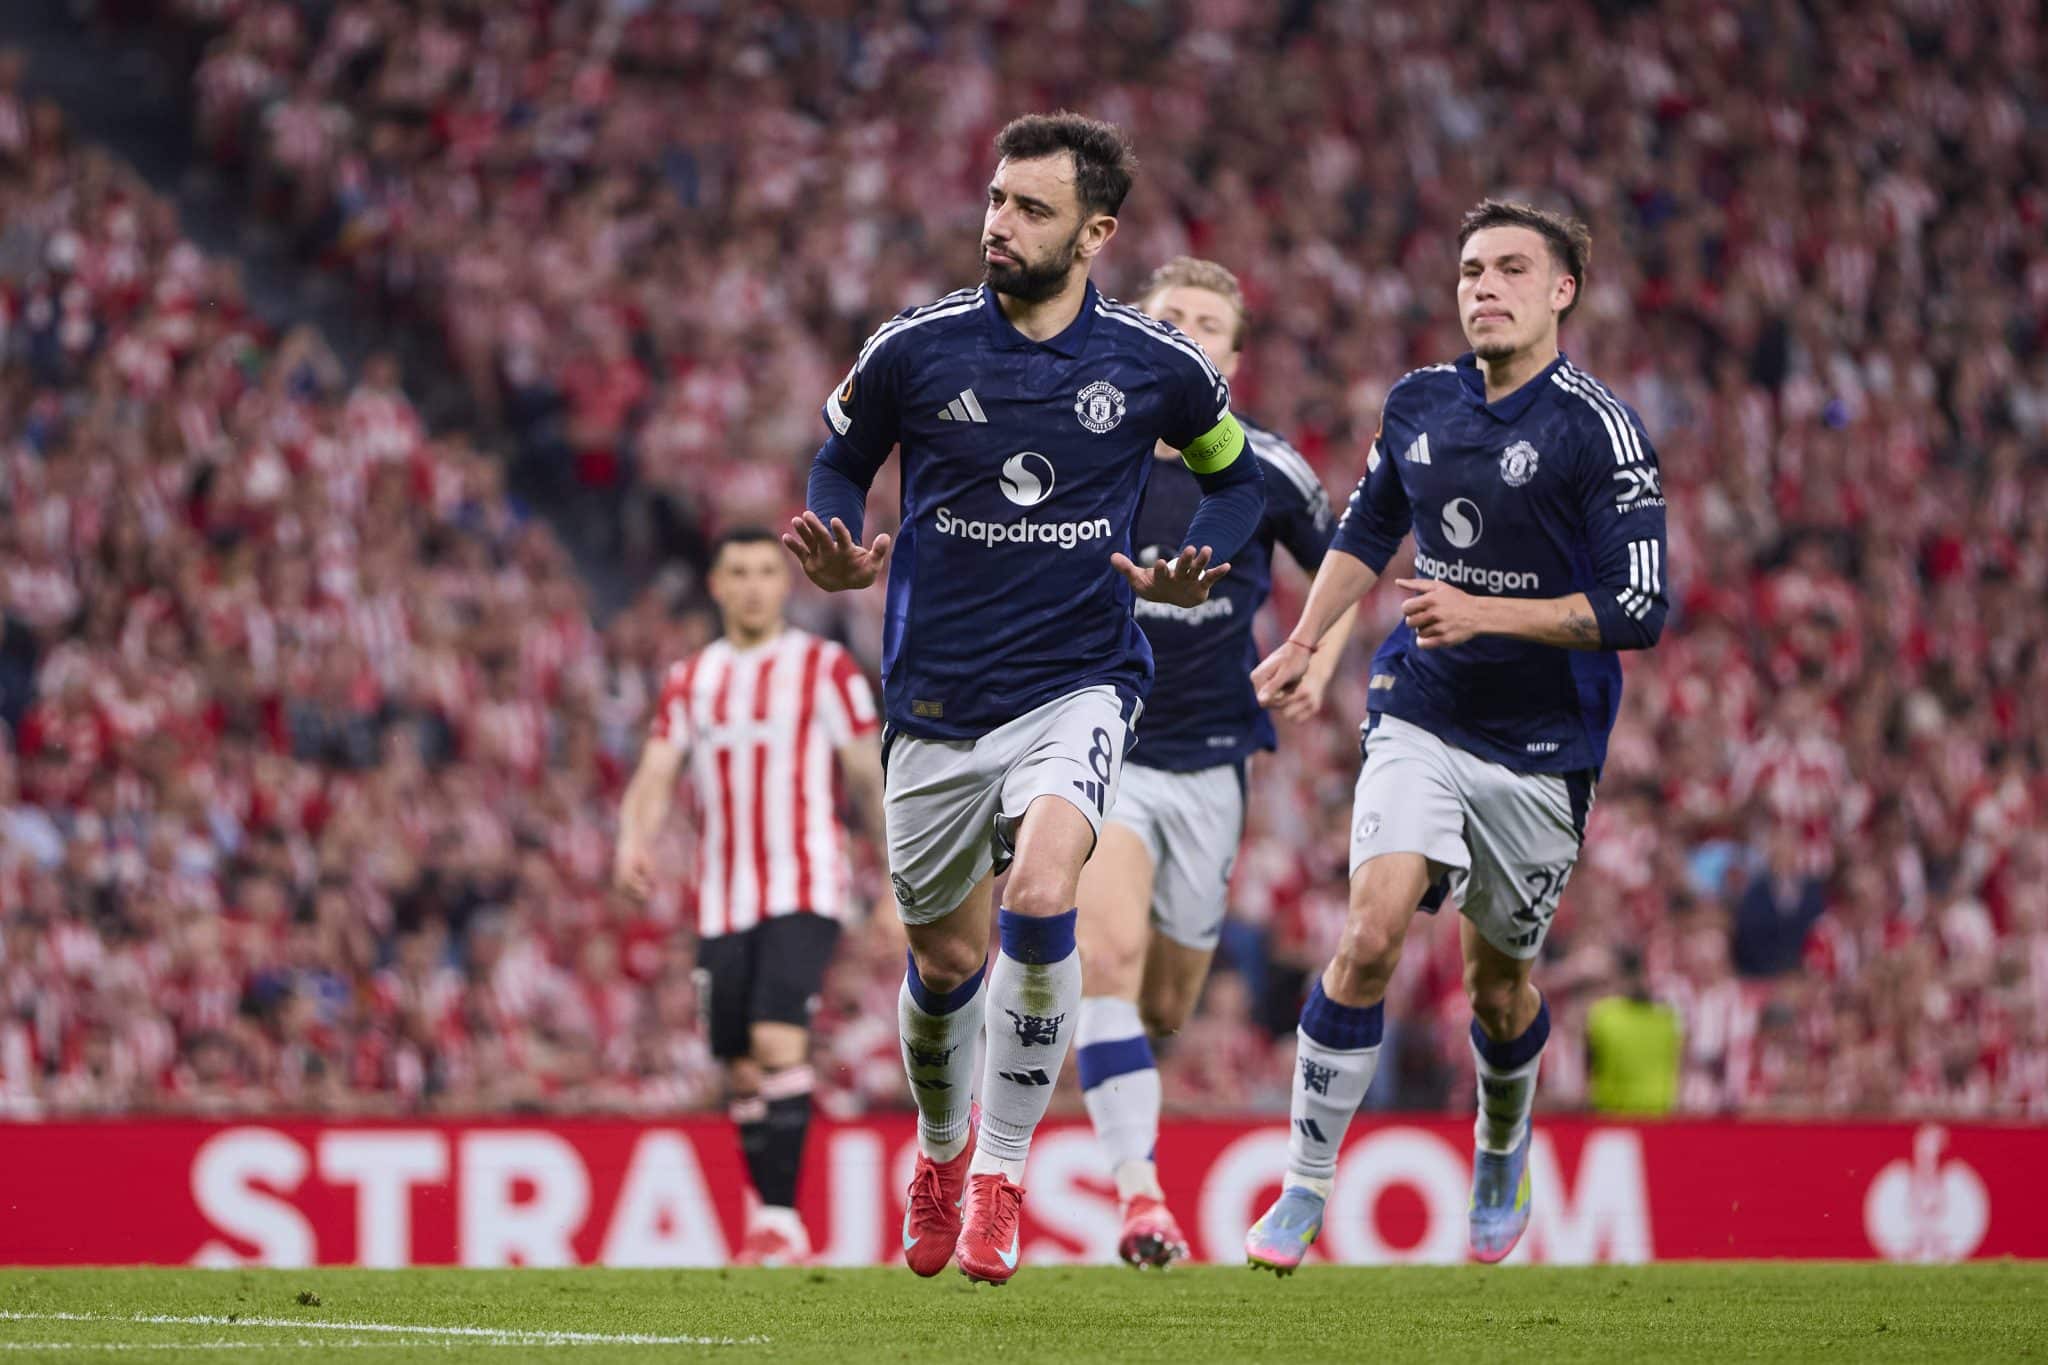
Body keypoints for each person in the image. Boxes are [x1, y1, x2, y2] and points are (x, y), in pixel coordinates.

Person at [782, 112, 1266, 1284]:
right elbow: (839, 460)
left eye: (1031, 208)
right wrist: (839, 541)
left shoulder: (1153, 367)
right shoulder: (915, 348)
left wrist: (1196, 557)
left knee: (1043, 897)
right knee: (945, 961)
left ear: (1094, 234)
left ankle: (1002, 1171)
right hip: (935, 703)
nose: (998, 224)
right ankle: (941, 1151)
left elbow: (1235, 480)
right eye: (997, 199)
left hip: (1078, 684)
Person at [1242, 199, 1671, 1272]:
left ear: (1562, 291)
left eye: (1511, 268)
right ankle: (1302, 1184)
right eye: (1472, 269)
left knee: (1497, 987)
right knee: (1368, 933)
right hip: (1422, 707)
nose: (1484, 286)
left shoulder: (1599, 431)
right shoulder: (1419, 403)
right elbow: (1369, 525)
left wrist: (1487, 612)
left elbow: (1637, 608)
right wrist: (1307, 636)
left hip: (1544, 744)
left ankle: (1499, 1140)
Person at [1070, 256, 1356, 1268]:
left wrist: (1317, 655)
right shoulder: (1086, 447)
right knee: (1105, 960)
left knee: (1164, 1004)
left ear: (1231, 357)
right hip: (1105, 744)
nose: (1184, 331)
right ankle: (1140, 1198)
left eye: (1205, 322)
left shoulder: (1266, 467)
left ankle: (1121, 1103)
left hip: (1212, 762)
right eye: (1168, 317)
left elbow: (1345, 567)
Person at [614, 526, 886, 1266]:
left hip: (808, 883)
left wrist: (898, 883)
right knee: (738, 1065)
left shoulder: (824, 668)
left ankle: (781, 1221)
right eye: (739, 572)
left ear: (784, 582)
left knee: (775, 1038)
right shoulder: (691, 678)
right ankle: (771, 1223)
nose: (754, 585)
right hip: (722, 897)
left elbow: (867, 779)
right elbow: (655, 773)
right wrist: (632, 840)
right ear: (716, 585)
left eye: (767, 571)